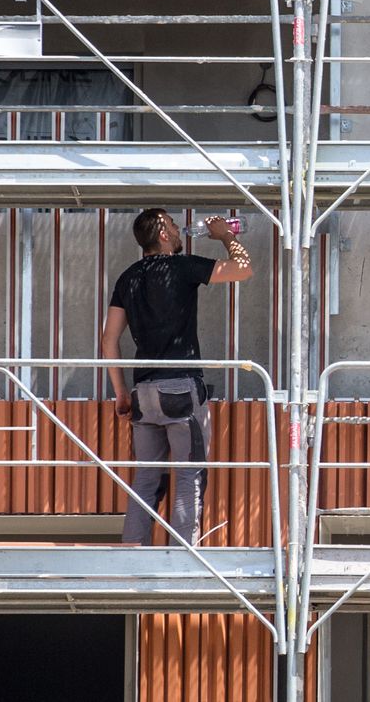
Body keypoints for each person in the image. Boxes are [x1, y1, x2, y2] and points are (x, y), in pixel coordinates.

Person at [101, 209, 252, 546]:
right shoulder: (182, 267)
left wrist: (121, 392)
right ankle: (182, 559)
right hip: (181, 388)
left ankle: (132, 553)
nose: (178, 228)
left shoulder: (128, 277)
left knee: (146, 478)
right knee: (189, 475)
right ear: (164, 235)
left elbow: (108, 339)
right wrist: (226, 236)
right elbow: (243, 268)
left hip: (143, 393)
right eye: (171, 224)